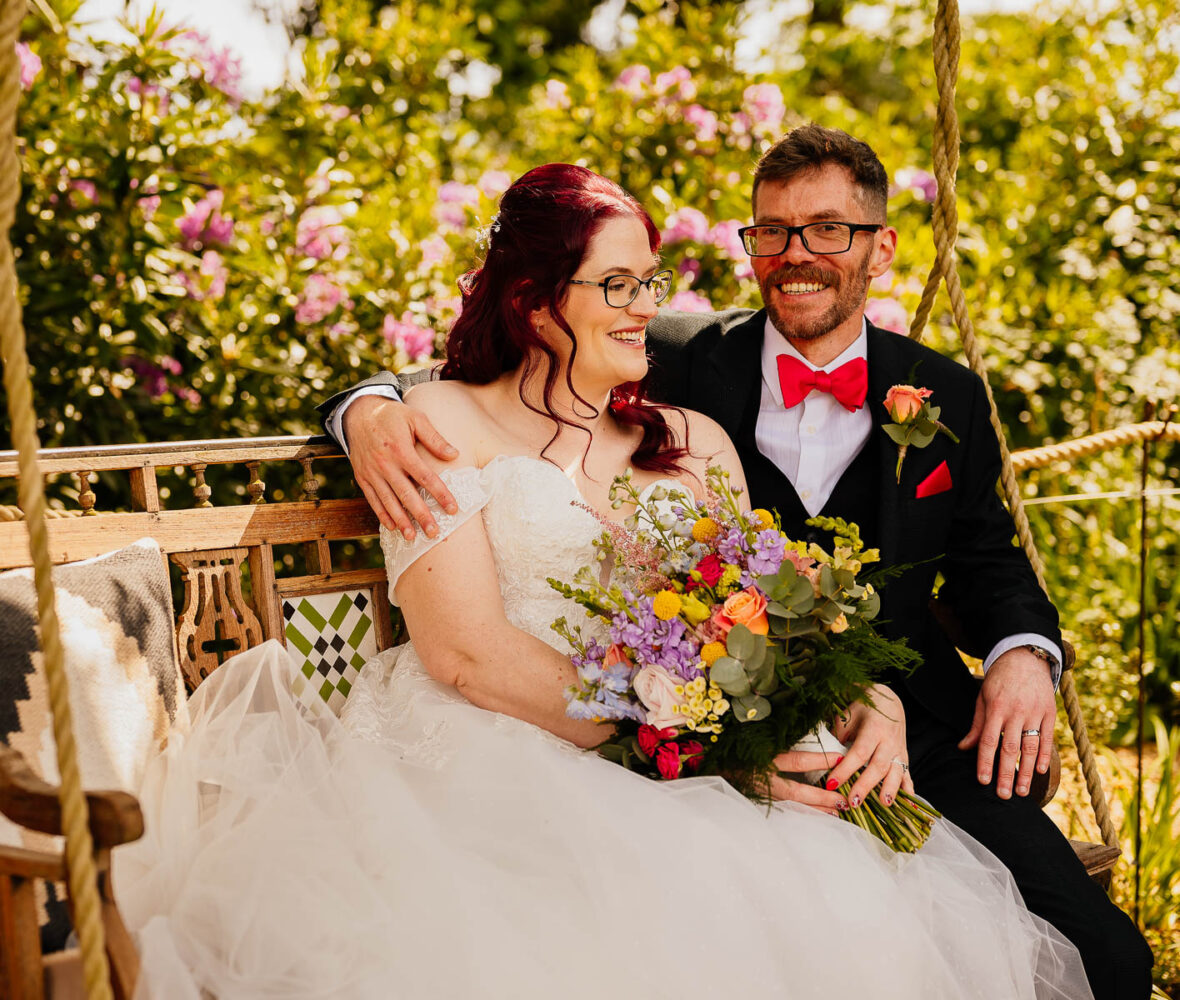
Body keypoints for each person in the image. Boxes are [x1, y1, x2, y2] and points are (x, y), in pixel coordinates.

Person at [115, 161, 1093, 999]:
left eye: (648, 281)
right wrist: (694, 751)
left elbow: (769, 612)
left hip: (690, 749)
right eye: (617, 285)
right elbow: (465, 654)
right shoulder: (432, 426)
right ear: (536, 300)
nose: (646, 307)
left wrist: (859, 687)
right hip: (497, 752)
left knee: (855, 896)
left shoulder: (691, 438)